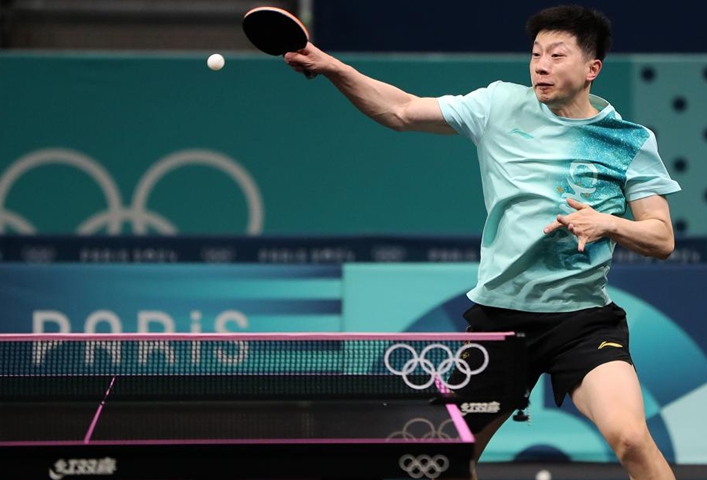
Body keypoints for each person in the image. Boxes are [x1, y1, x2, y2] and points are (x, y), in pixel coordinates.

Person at [284, 5, 680, 480]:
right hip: (500, 320)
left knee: (631, 436)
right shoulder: (498, 104)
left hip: (581, 322)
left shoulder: (627, 141)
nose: (541, 65)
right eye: (536, 54)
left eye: (557, 55)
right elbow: (401, 110)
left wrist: (608, 224)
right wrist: (333, 67)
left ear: (592, 69)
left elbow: (661, 236)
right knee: (449, 458)